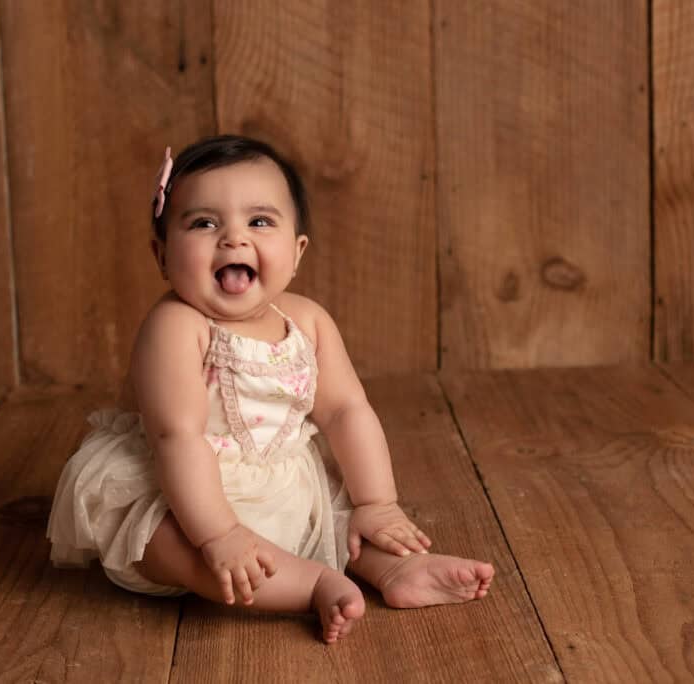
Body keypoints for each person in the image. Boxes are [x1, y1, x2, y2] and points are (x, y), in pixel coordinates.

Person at [47, 135, 494, 643]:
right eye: (203, 223)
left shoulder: (308, 320)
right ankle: (311, 585)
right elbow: (178, 437)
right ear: (162, 254)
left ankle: (393, 570)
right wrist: (219, 532)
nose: (234, 239)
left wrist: (377, 502)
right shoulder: (175, 326)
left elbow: (348, 411)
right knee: (159, 543)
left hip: (281, 482)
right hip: (183, 490)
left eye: (259, 221)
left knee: (336, 510)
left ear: (297, 251)